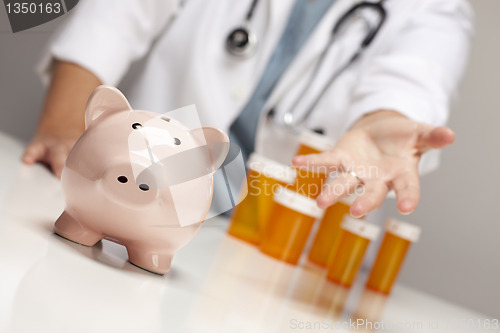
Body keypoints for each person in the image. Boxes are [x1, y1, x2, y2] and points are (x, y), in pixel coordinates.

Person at [22, 0, 473, 218]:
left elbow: (412, 79)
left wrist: (382, 123)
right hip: (130, 193)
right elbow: (119, 13)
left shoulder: (436, 9)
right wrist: (64, 125)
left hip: (271, 237)